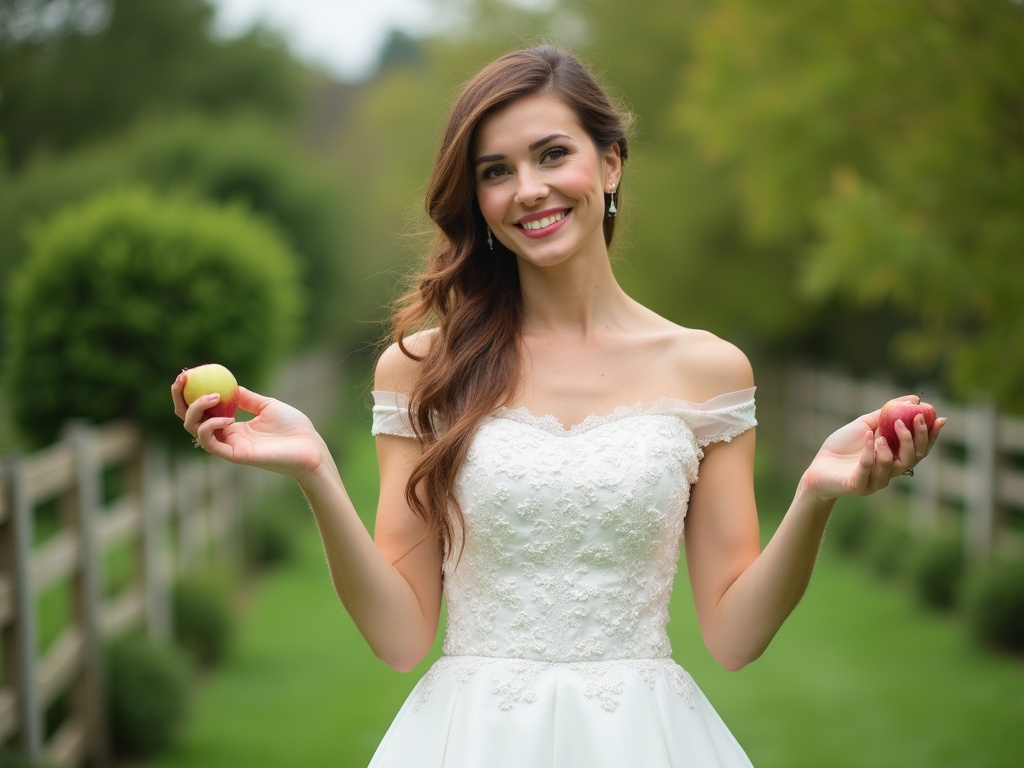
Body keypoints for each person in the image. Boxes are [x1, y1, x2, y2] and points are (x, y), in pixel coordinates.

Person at [172, 46, 944, 768]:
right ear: (477, 199)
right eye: (496, 171)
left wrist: (814, 495)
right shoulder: (422, 371)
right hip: (471, 738)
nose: (529, 189)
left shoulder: (707, 370)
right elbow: (401, 637)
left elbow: (735, 636)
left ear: (610, 163)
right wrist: (315, 471)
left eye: (551, 154)